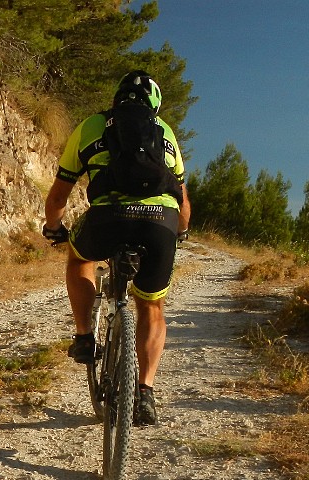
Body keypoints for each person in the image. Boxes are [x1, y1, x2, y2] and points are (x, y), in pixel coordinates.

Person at [42, 70, 190, 426]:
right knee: (152, 305)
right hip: (160, 221)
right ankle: (145, 391)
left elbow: (60, 192)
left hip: (109, 216)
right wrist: (179, 232)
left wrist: (53, 228)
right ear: (155, 104)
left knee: (79, 256)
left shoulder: (92, 126)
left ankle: (83, 337)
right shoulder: (166, 133)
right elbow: (182, 201)